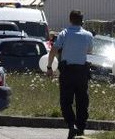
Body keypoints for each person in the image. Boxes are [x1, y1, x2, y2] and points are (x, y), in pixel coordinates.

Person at [46, 10, 93, 139]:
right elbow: (90, 50)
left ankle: (71, 124)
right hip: (82, 72)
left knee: (66, 101)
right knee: (82, 101)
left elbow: (53, 51)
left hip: (67, 72)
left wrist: (49, 67)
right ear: (82, 21)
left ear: (70, 20)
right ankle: (80, 127)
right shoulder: (88, 35)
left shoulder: (64, 34)